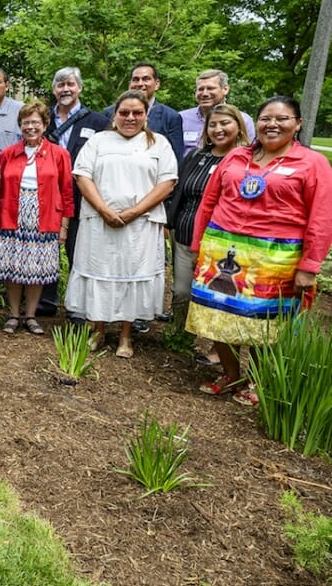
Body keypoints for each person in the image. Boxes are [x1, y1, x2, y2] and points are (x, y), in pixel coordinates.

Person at [188, 96, 332, 406]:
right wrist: (198, 246)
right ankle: (230, 373)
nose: (273, 124)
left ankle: (256, 379)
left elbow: (322, 216)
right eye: (266, 118)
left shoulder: (311, 163)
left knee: (264, 324)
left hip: (275, 258)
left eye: (282, 119)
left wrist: (310, 265)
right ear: (256, 122)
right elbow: (209, 202)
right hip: (222, 250)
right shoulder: (237, 157)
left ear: (298, 124)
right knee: (217, 316)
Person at [64, 90, 178, 359]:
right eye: (124, 112)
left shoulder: (158, 143)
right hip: (99, 222)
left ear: (145, 115)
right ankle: (99, 329)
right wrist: (105, 210)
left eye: (137, 113)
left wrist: (132, 213)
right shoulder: (99, 141)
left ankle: (126, 335)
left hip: (140, 224)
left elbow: (167, 182)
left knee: (131, 275)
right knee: (100, 273)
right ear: (114, 115)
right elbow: (82, 176)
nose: (130, 117)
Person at [166, 103, 250, 363]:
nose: (218, 129)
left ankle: (217, 348)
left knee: (218, 295)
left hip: (221, 241)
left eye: (225, 123)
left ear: (239, 126)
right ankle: (181, 336)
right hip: (185, 231)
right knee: (181, 291)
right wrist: (169, 223)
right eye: (213, 124)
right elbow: (180, 191)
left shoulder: (246, 160)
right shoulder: (196, 156)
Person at [0, 101, 74, 335]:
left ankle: (31, 315)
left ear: (45, 124)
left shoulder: (59, 154)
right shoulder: (8, 154)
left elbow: (66, 191)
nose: (30, 127)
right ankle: (13, 314)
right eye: (26, 122)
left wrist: (64, 225)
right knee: (13, 268)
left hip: (45, 217)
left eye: (35, 122)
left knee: (36, 270)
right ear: (20, 125)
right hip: (12, 216)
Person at [38, 66, 110, 318]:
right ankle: (45, 302)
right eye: (60, 85)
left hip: (82, 198)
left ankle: (78, 306)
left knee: (78, 250)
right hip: (44, 196)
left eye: (70, 84)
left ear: (80, 87)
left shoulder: (99, 122)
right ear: (53, 89)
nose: (65, 89)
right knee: (45, 250)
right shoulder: (41, 118)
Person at [178, 69, 256, 155]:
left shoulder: (243, 119)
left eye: (210, 88)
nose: (204, 93)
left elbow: (249, 153)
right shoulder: (181, 118)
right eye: (200, 89)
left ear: (225, 89)